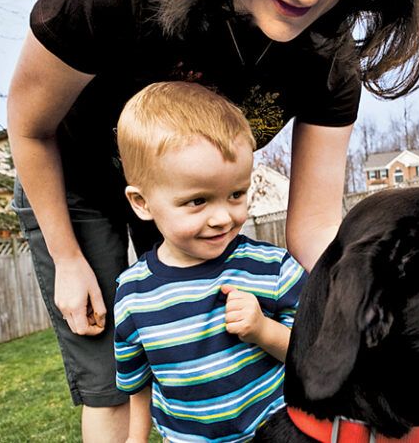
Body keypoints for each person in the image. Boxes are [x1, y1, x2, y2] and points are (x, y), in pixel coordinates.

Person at [7, 0, 419, 440]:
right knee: (109, 377)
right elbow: (32, 129)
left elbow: (315, 226)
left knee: (206, 336)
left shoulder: (327, 58)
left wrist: (375, 302)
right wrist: (67, 258)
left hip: (196, 198)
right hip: (73, 179)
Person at [113, 81, 306, 442]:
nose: (222, 217)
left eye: (236, 194)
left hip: (279, 434)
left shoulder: (272, 268)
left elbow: (312, 353)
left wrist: (263, 331)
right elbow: (138, 383)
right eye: (198, 201)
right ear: (142, 203)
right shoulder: (133, 295)